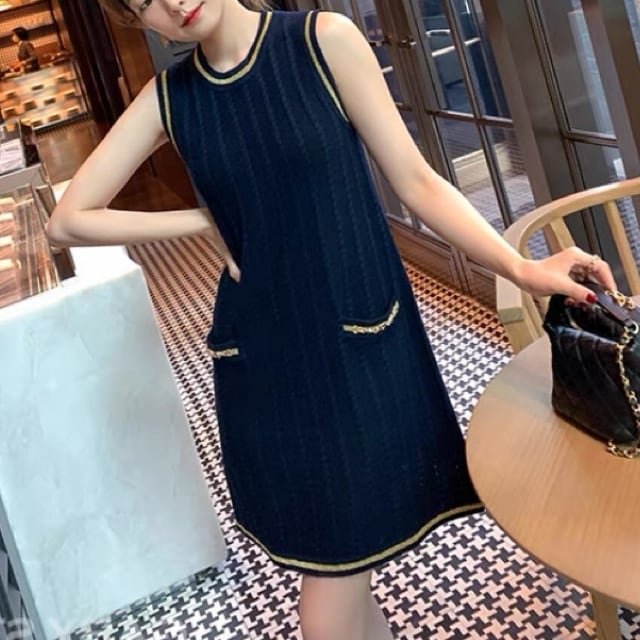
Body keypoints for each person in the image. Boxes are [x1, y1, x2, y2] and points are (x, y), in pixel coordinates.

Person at [46, 1, 615, 638]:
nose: (173, 3)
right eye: (145, 1)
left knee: (333, 580)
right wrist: (201, 221)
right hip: (263, 357)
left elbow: (418, 182)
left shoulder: (322, 41)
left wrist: (520, 268)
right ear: (137, 20)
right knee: (333, 556)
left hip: (355, 337)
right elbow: (67, 220)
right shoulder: (169, 98)